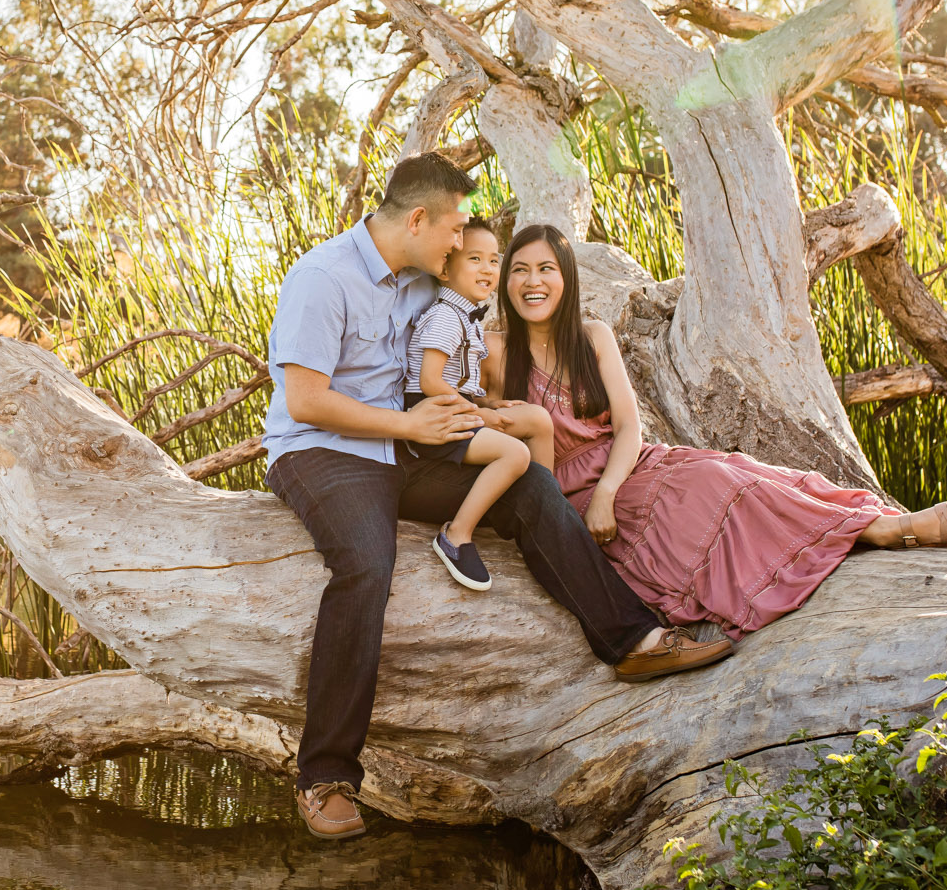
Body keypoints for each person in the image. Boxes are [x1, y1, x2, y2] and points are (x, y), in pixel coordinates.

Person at [262, 156, 736, 844]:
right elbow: (305, 398)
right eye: (454, 229)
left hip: (411, 445)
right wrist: (408, 424)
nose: (460, 245)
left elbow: (460, 342)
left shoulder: (424, 278)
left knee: (530, 483)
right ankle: (325, 773)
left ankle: (633, 638)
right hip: (325, 451)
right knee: (368, 560)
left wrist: (489, 411)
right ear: (419, 219)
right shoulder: (322, 277)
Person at [485, 223, 947, 643]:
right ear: (505, 281)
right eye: (521, 270)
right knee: (717, 491)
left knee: (739, 473)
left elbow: (627, 427)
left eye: (547, 269)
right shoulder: (493, 352)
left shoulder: (591, 335)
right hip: (565, 495)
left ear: (567, 278)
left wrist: (607, 491)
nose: (534, 281)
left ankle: (887, 527)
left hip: (628, 468)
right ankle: (887, 533)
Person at [401, 218, 553, 592]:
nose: (487, 269)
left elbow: (456, 379)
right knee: (514, 454)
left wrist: (489, 402)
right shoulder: (445, 317)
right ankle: (456, 535)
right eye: (474, 259)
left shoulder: (465, 315)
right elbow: (430, 381)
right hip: (434, 414)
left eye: (493, 260)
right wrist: (477, 413)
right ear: (446, 269)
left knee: (537, 419)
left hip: (457, 403)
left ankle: (549, 513)